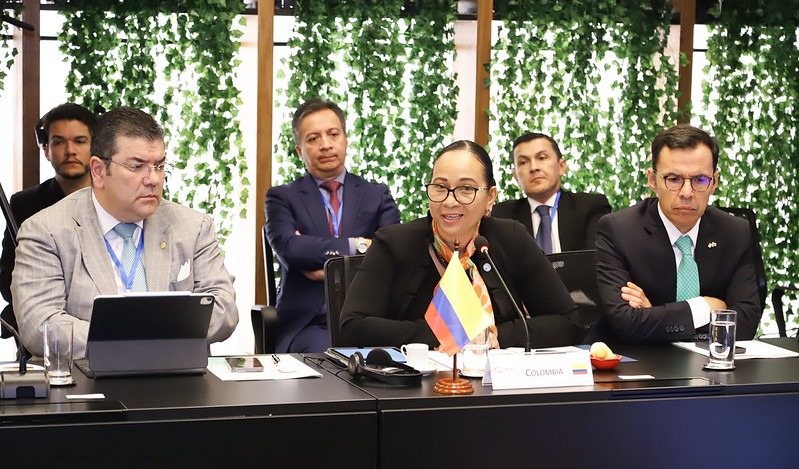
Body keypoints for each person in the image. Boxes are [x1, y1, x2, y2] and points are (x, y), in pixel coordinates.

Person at [11, 107, 238, 358]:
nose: (153, 179)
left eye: (159, 166)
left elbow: (224, 309)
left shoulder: (193, 227)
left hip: (177, 376)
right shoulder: (47, 231)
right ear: (99, 171)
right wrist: (134, 338)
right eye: (137, 166)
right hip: (86, 377)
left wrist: (139, 335)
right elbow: (39, 325)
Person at [339, 140, 581, 349]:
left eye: (466, 189)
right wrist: (448, 335)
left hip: (495, 380)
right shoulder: (394, 243)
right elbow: (352, 326)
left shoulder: (511, 238)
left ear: (490, 197)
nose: (450, 201)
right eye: (440, 187)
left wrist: (494, 336)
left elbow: (568, 322)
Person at [593, 124, 762, 343]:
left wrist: (654, 315)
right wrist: (705, 307)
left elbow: (745, 323)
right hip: (640, 360)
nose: (687, 192)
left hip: (710, 360)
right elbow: (626, 322)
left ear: (715, 182)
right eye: (673, 179)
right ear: (652, 180)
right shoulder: (619, 230)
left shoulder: (736, 232)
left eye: (700, 180)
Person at [265, 98, 401, 353]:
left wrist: (329, 270)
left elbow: (392, 254)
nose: (326, 144)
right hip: (310, 323)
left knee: (395, 361)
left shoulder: (376, 195)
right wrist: (359, 245)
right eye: (313, 138)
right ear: (300, 150)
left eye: (333, 134)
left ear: (346, 140)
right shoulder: (282, 198)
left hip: (370, 318)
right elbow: (291, 249)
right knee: (326, 360)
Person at [1, 103, 97, 343]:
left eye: (79, 141)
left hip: (100, 323)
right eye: (59, 142)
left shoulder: (114, 200)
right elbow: (7, 280)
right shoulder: (24, 203)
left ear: (95, 147)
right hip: (43, 334)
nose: (70, 151)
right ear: (46, 150)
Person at [492, 132, 611, 252]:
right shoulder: (501, 216)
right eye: (523, 162)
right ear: (516, 177)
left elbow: (594, 258)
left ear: (562, 166)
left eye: (542, 158)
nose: (533, 168)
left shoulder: (589, 207)